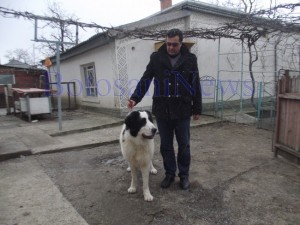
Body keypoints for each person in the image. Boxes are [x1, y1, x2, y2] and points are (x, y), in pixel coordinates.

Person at [127, 28, 202, 190]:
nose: (170, 48)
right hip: (162, 110)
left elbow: (195, 83)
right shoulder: (156, 58)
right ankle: (169, 173)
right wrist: (135, 97)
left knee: (184, 145)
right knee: (166, 145)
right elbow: (146, 79)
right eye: (168, 44)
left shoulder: (190, 59)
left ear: (181, 43)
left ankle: (183, 175)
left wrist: (197, 107)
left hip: (182, 109)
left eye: (174, 44)